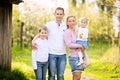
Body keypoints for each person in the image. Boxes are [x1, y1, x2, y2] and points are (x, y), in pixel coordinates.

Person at [45, 7, 67, 80]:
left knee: (60, 75)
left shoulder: (66, 26)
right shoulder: (49, 24)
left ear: (63, 15)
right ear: (54, 14)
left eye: (61, 14)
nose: (59, 16)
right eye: (57, 14)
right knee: (51, 75)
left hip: (62, 54)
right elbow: (41, 33)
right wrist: (34, 41)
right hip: (51, 54)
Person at [64, 15, 84, 80]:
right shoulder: (67, 32)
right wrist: (80, 45)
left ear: (76, 22)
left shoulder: (77, 31)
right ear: (67, 23)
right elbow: (69, 44)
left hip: (80, 56)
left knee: (77, 77)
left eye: (73, 20)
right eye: (70, 21)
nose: (72, 22)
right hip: (73, 58)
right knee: (77, 76)